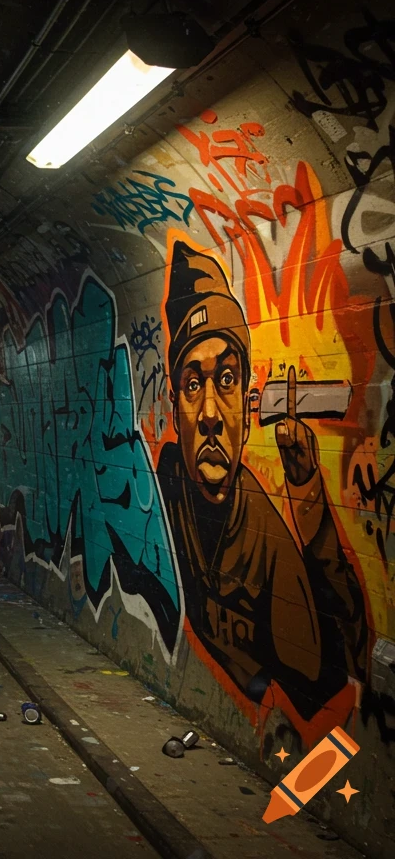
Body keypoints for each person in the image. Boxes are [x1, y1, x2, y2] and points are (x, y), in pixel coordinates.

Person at [156, 242, 369, 718]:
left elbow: (341, 667)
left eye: (226, 380)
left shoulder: (270, 547)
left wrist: (307, 490)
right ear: (176, 411)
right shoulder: (163, 483)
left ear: (248, 414)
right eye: (193, 384)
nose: (210, 412)